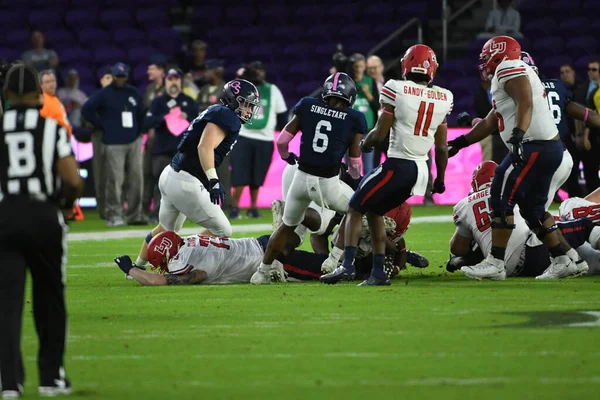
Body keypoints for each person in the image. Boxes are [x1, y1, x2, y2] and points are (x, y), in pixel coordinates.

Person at [447, 36, 588, 280]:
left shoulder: (509, 67)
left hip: (534, 146)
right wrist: (460, 143)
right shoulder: (510, 75)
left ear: (500, 53)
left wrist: (519, 135)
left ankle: (496, 263)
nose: (485, 62)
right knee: (533, 209)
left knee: (500, 194)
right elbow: (492, 120)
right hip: (548, 148)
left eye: (487, 56)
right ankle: (565, 259)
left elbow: (525, 100)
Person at [321, 44, 453, 286]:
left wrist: (365, 144)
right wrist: (440, 178)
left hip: (399, 164)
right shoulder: (444, 97)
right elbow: (442, 147)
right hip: (422, 172)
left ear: (406, 64)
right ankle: (379, 271)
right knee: (375, 211)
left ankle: (347, 265)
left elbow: (380, 133)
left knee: (354, 207)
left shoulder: (395, 88)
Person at [0, 63, 83, 398]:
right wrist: (64, 206)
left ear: (6, 94)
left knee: (6, 303)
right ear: (39, 94)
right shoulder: (52, 128)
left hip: (5, 215)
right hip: (43, 215)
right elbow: (73, 180)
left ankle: (9, 383)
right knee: (50, 298)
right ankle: (51, 378)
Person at [129, 79, 260, 271]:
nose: (249, 110)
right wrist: (214, 180)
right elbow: (204, 147)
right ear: (233, 100)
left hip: (172, 174)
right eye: (246, 104)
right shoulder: (226, 115)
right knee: (223, 230)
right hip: (186, 180)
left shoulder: (217, 111)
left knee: (165, 229)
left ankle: (137, 267)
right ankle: (181, 254)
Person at [250, 72, 367, 285]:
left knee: (286, 226)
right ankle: (333, 260)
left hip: (300, 177)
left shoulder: (307, 105)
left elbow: (282, 141)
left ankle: (262, 272)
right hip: (328, 182)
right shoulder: (354, 118)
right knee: (355, 210)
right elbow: (355, 161)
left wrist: (287, 157)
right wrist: (357, 179)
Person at [449, 162, 600, 276]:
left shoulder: (463, 205)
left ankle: (574, 260)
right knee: (583, 226)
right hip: (534, 253)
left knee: (492, 239)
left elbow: (457, 248)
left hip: (510, 269)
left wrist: (469, 253)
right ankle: (574, 258)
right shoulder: (511, 189)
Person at [115, 231, 332, 285]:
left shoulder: (180, 259)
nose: (162, 268)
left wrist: (131, 270)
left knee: (328, 273)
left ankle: (349, 251)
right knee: (323, 262)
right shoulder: (191, 240)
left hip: (268, 260)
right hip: (260, 244)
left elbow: (195, 275)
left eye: (161, 262)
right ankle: (321, 228)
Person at [230, 61, 288, 219]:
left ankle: (253, 207)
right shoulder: (240, 88)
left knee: (257, 176)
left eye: (261, 70)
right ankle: (235, 207)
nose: (259, 73)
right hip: (243, 136)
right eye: (255, 71)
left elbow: (282, 114)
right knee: (240, 174)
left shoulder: (272, 90)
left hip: (265, 138)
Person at [144, 68, 198, 222]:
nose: (173, 82)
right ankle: (157, 214)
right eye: (170, 79)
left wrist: (187, 117)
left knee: (186, 186)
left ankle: (185, 216)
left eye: (176, 79)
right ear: (165, 82)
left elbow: (200, 123)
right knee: (160, 185)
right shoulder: (158, 102)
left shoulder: (189, 102)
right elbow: (148, 122)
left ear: (180, 81)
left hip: (184, 152)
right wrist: (166, 118)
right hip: (162, 151)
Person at [349, 53, 379, 173]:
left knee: (368, 167)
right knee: (351, 166)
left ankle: (367, 191)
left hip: (367, 130)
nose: (358, 70)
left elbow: (377, 106)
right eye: (355, 67)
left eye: (360, 66)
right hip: (350, 132)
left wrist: (368, 94)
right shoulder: (348, 82)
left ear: (364, 67)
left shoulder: (370, 81)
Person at [39, 70, 72, 136]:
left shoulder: (55, 99)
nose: (52, 84)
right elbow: (43, 125)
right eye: (47, 82)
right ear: (41, 85)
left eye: (53, 81)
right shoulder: (42, 101)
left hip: (64, 137)